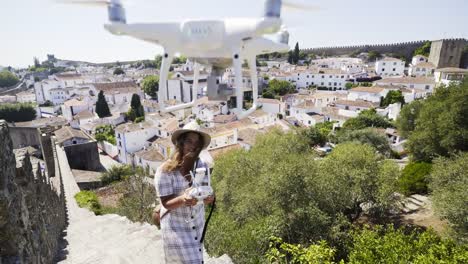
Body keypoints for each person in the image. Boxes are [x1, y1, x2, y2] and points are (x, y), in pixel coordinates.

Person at [155, 123, 215, 264]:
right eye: (189, 141)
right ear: (180, 143)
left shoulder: (202, 166)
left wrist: (209, 198)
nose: (193, 145)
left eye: (197, 142)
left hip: (197, 225)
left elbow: (205, 190)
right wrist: (183, 199)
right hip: (176, 227)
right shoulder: (165, 171)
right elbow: (165, 203)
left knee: (196, 259)